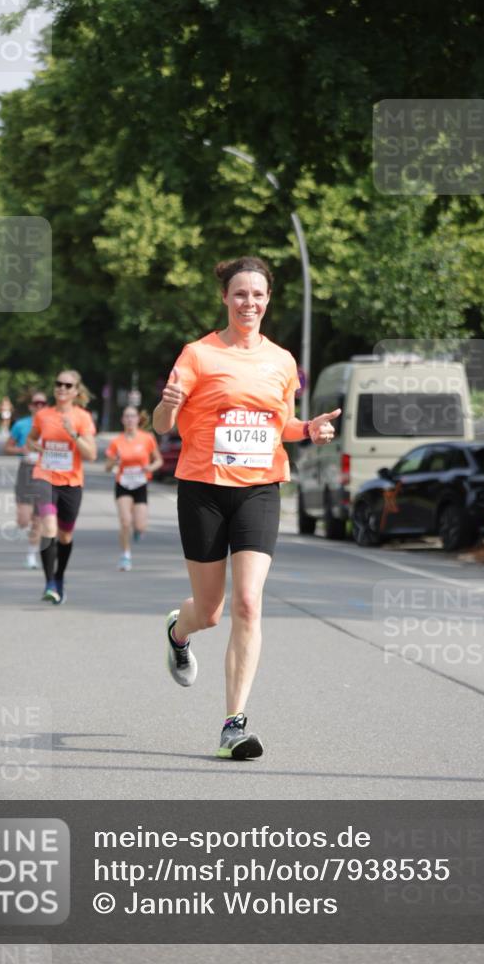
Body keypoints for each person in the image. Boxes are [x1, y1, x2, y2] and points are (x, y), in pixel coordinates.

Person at [153, 256, 340, 760]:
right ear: (225, 298)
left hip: (260, 488)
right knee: (210, 612)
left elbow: (283, 424)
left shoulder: (281, 361)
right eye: (240, 294)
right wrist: (169, 403)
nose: (249, 303)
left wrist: (310, 430)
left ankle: (233, 724)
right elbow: (162, 424)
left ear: (268, 300)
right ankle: (178, 631)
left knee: (249, 603)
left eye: (257, 295)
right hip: (203, 489)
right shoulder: (197, 354)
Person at [26, 370, 97, 604]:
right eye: (58, 384)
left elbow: (92, 454)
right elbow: (31, 438)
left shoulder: (82, 417)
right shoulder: (43, 415)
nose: (62, 389)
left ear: (76, 391)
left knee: (65, 535)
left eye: (68, 385)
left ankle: (59, 576)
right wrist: (34, 446)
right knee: (48, 529)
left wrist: (73, 434)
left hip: (71, 482)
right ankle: (49, 584)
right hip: (44, 476)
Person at [105, 406, 163, 570]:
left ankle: (138, 530)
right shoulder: (117, 441)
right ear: (123, 420)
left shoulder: (147, 438)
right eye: (127, 416)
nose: (130, 419)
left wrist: (150, 468)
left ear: (138, 419)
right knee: (125, 522)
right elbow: (107, 467)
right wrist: (113, 462)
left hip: (140, 483)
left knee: (140, 525)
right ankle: (125, 556)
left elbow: (158, 460)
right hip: (123, 483)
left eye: (133, 416)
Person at [4, 392, 48, 569]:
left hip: (45, 472)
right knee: (23, 520)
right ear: (30, 406)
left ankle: (31, 555)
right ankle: (23, 523)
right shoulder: (21, 425)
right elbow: (8, 447)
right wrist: (20, 450)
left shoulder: (52, 425)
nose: (39, 406)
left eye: (42, 403)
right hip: (26, 470)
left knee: (38, 518)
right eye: (35, 403)